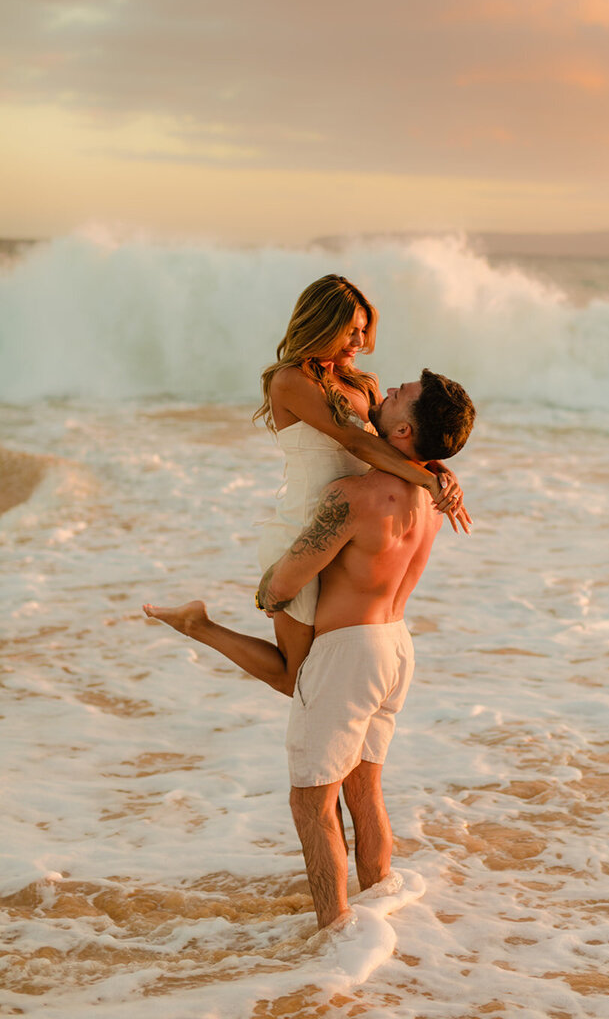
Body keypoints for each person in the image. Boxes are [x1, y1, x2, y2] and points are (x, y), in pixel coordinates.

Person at [143, 275, 469, 695]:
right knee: (293, 677)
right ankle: (196, 624)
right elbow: (354, 441)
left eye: (363, 329)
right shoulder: (290, 381)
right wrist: (428, 481)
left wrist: (443, 471)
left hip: (341, 530)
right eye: (350, 329)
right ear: (322, 322)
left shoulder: (359, 383)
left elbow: (398, 439)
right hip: (300, 530)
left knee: (328, 666)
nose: (360, 339)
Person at [257, 370, 475, 930]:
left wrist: (269, 590)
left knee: (311, 802)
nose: (388, 389)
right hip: (396, 646)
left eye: (400, 395)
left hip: (347, 656)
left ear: (402, 431)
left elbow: (281, 585)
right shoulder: (431, 498)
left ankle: (335, 937)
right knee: (364, 787)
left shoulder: (353, 496)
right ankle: (382, 901)